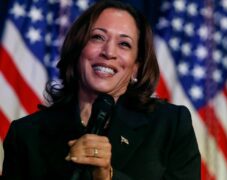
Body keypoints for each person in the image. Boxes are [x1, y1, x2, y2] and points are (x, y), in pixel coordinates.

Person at [2, 0, 201, 179]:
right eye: (97, 37)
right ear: (78, 48)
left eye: (124, 44)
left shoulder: (170, 125)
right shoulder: (26, 135)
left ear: (136, 66)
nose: (108, 52)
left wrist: (108, 177)